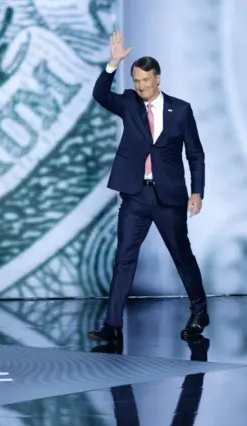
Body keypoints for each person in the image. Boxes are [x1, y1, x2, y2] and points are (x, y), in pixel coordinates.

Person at [88, 31, 209, 342]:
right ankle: (113, 325)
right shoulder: (128, 103)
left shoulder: (180, 110)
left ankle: (199, 312)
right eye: (136, 80)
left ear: (158, 79)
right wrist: (113, 64)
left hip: (168, 197)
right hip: (135, 195)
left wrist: (197, 192)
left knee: (182, 255)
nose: (140, 86)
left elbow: (194, 153)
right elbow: (101, 95)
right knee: (124, 258)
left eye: (145, 80)